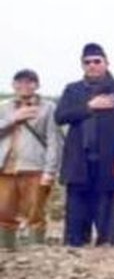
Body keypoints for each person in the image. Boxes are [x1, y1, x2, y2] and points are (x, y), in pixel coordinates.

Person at [55, 42, 114, 247]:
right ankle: (76, 248)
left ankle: (106, 250)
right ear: (82, 65)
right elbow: (60, 116)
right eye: (87, 62)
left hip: (108, 160)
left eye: (96, 61)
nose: (92, 65)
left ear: (106, 62)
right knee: (76, 213)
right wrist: (89, 106)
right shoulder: (73, 90)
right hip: (79, 160)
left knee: (106, 211)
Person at [0, 69, 61, 250]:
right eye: (20, 82)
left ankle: (36, 250)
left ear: (37, 85)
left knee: (35, 212)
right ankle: (6, 247)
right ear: (14, 85)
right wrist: (14, 118)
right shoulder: (5, 107)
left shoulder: (48, 108)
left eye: (29, 82)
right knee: (3, 210)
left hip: (34, 167)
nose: (24, 86)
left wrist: (50, 170)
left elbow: (53, 140)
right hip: (6, 166)